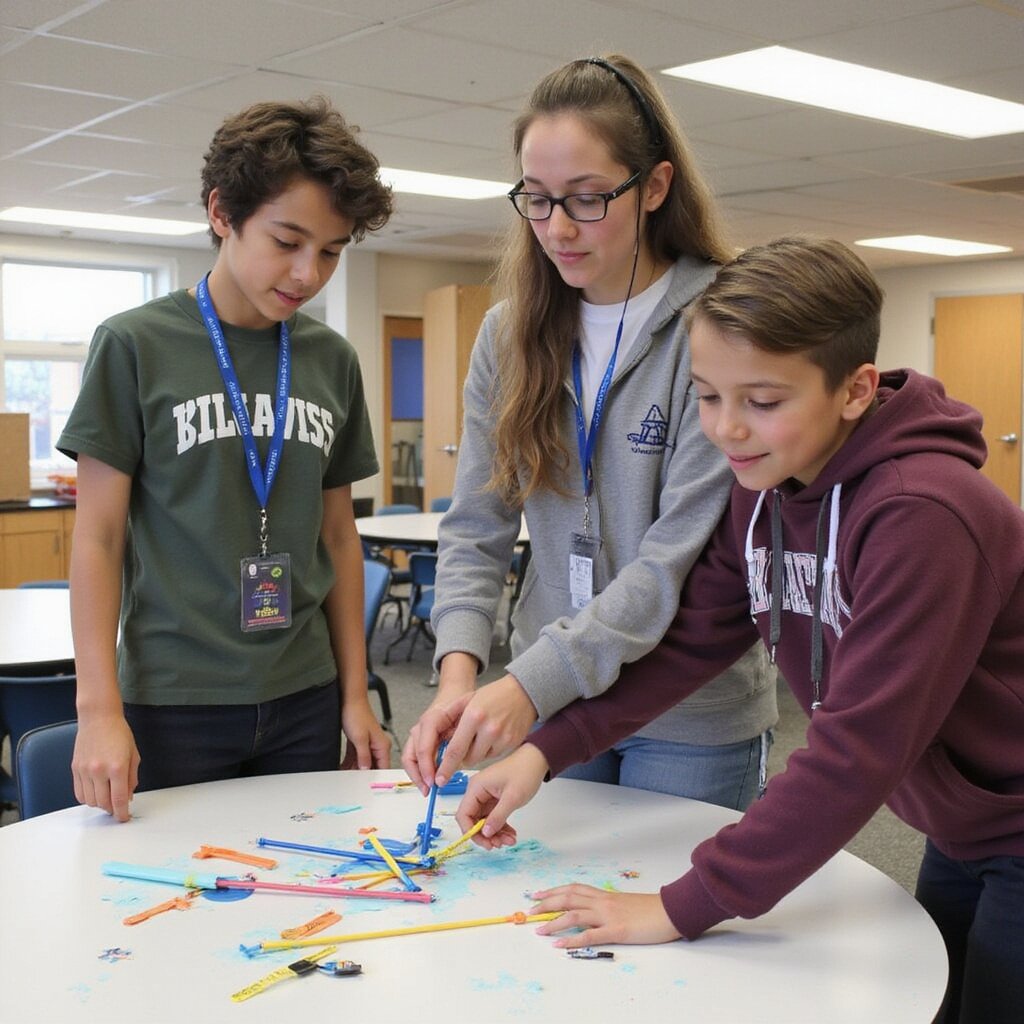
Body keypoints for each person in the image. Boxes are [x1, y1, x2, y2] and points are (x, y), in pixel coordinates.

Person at [455, 236, 1024, 1024]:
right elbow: (689, 642)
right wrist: (543, 751)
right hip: (963, 820)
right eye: (707, 396)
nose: (726, 430)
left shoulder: (923, 516)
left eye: (762, 401)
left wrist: (682, 905)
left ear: (855, 390)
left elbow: (856, 751)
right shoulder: (765, 489)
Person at [404, 54, 775, 808]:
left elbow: (668, 564)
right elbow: (476, 525)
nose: (558, 228)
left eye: (586, 197)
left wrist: (527, 685)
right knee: (543, 884)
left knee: (669, 888)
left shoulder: (718, 323)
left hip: (688, 710)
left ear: (655, 187)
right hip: (554, 696)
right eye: (537, 200)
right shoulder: (508, 333)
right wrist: (457, 674)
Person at [58, 96, 394, 822]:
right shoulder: (135, 345)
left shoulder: (331, 360)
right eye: (287, 240)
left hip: (303, 692)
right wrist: (97, 710)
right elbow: (98, 538)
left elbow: (339, 538)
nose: (307, 273)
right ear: (221, 212)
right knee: (176, 882)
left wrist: (354, 692)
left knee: (302, 875)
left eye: (331, 251)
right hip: (174, 698)